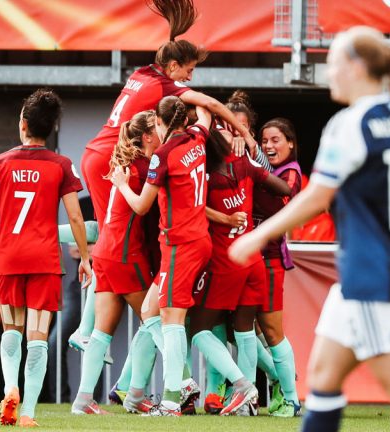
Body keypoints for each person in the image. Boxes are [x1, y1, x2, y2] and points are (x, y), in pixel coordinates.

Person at [230, 26, 390, 432]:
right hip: (376, 271)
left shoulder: (350, 124)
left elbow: (316, 197)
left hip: (369, 273)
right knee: (323, 378)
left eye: (332, 63)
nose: (328, 73)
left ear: (357, 68)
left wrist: (257, 235)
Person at [71, 0, 258, 355]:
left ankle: (91, 331)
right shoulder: (164, 92)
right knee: (115, 238)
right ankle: (85, 329)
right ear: (172, 65)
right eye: (188, 70)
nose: (190, 78)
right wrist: (246, 137)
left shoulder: (143, 73)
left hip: (98, 154)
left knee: (109, 233)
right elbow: (213, 106)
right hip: (110, 161)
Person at [0, 88, 91, 427]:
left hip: (8, 257)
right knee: (38, 339)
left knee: (12, 330)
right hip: (44, 260)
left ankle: (10, 388)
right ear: (51, 128)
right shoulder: (62, 165)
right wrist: (84, 257)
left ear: (22, 124)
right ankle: (28, 414)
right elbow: (76, 218)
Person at [110, 96, 233, 416]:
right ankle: (144, 391)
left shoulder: (163, 155)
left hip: (181, 243)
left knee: (172, 319)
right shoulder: (197, 136)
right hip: (196, 239)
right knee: (151, 311)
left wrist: (122, 184)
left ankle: (172, 398)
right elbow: (206, 113)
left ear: (163, 124)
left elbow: (141, 206)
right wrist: (187, 97)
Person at [195, 125, 291, 415]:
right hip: (254, 260)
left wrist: (225, 217)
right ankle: (252, 401)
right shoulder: (246, 165)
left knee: (200, 329)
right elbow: (285, 189)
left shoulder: (205, 177)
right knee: (244, 330)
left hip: (226, 263)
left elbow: (194, 207)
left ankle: (241, 387)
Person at [71, 110, 160, 415]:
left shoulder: (127, 163)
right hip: (125, 254)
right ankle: (142, 394)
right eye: (157, 126)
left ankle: (83, 401)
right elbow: (144, 208)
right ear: (147, 136)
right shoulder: (145, 167)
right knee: (155, 320)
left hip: (106, 254)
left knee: (102, 331)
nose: (163, 130)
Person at [253, 117, 306, 416]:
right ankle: (277, 377)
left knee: (272, 331)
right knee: (243, 329)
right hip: (253, 259)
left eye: (275, 140)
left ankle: (291, 398)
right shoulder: (270, 170)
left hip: (271, 259)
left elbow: (283, 199)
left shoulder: (292, 173)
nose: (269, 146)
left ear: (290, 143)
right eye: (264, 141)